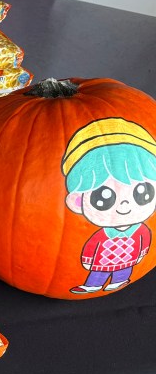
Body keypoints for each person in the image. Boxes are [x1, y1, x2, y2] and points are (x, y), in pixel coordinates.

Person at [62, 118, 156, 294]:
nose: (125, 204)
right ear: (77, 202)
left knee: (124, 270)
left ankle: (118, 281)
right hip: (101, 261)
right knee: (97, 272)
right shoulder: (102, 235)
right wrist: (88, 261)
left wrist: (142, 254)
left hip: (129, 259)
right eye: (104, 197)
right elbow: (92, 247)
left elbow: (145, 243)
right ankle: (93, 285)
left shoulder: (140, 230)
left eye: (143, 191)